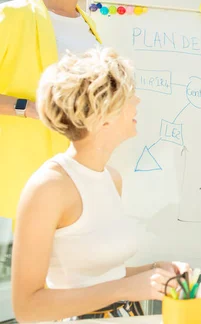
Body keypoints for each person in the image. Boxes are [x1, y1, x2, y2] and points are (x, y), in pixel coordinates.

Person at [11, 48, 187, 321]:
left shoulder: (112, 178)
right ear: (103, 115)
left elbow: (101, 275)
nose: (137, 101)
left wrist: (153, 271)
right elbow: (27, 308)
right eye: (129, 97)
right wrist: (126, 288)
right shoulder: (49, 187)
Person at [0, 0, 111, 222]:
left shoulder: (95, 29)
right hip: (25, 182)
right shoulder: (12, 17)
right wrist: (32, 109)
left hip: (83, 180)